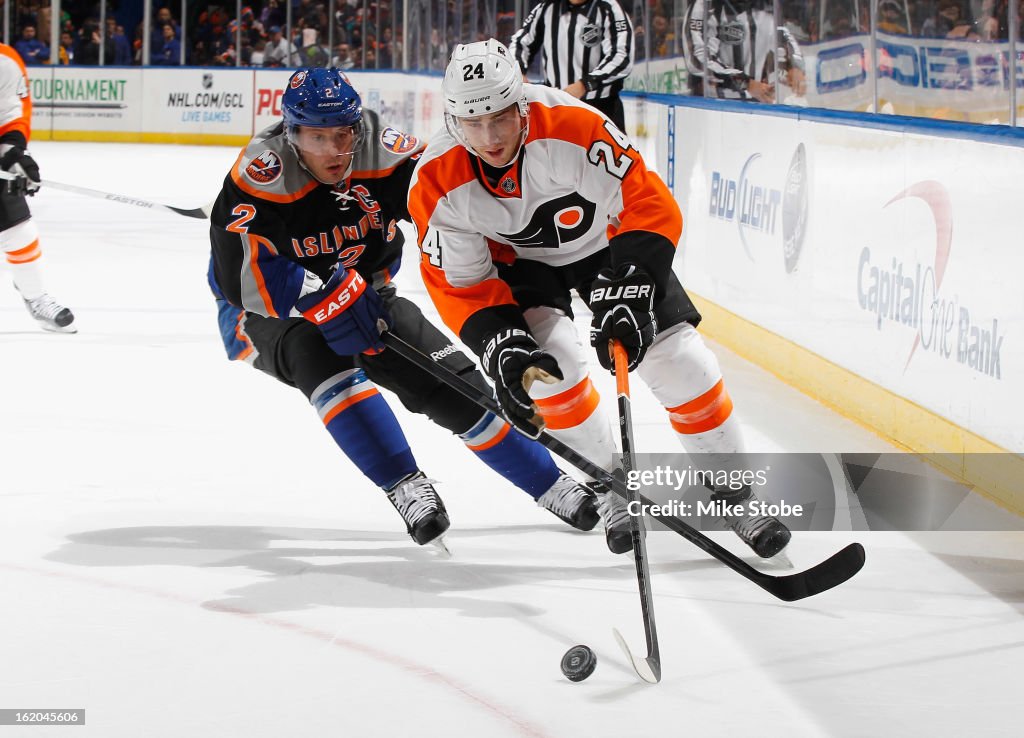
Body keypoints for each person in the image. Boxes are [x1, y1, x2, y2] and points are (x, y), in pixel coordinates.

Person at [408, 40, 792, 558]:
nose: (490, 137)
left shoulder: (572, 124)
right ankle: (609, 485)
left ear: (520, 102)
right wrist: (499, 341)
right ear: (452, 119)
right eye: (472, 124)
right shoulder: (436, 179)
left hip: (608, 245)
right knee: (549, 375)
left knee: (680, 361)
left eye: (499, 117)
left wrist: (632, 284)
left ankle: (736, 493)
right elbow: (462, 283)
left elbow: (645, 200)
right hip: (522, 267)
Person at [207, 67, 606, 548]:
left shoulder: (383, 151)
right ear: (292, 135)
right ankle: (404, 482)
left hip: (365, 291)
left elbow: (450, 205)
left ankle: (550, 482)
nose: (335, 151)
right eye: (317, 137)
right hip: (269, 313)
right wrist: (323, 296)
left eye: (342, 134)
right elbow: (237, 275)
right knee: (324, 365)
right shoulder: (262, 173)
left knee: (452, 382)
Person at [0, 43, 76, 333]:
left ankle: (35, 296)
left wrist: (14, 154)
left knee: (19, 231)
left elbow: (10, 115)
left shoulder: (4, 60)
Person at [508, 0, 633, 131]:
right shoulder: (547, 7)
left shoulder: (608, 8)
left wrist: (584, 84)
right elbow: (520, 42)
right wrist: (518, 71)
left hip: (601, 107)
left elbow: (622, 56)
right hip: (556, 106)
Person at [683, 0, 806, 103]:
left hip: (758, 104)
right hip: (713, 106)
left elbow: (783, 36)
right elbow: (697, 58)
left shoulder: (766, 5)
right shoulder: (704, 6)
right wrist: (745, 83)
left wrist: (794, 67)